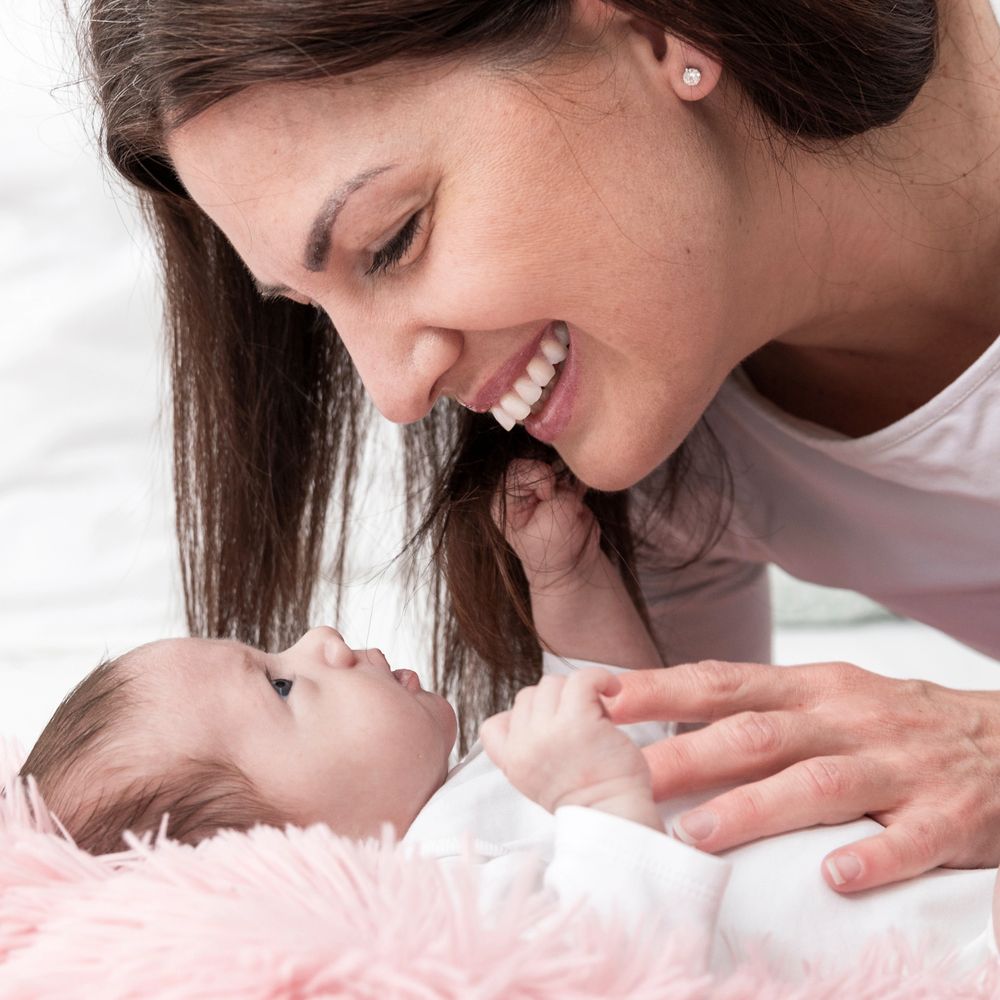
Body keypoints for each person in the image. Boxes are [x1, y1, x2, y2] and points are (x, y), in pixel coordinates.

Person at [81, 0, 1000, 896]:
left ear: (658, 25)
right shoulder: (662, 461)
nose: (394, 397)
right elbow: (687, 844)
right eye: (316, 311)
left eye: (393, 240)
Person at [17, 462, 1000, 974]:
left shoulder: (476, 791)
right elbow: (611, 969)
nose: (321, 639)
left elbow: (622, 703)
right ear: (279, 858)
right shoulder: (432, 915)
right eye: (281, 687)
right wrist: (598, 804)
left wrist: (567, 577)